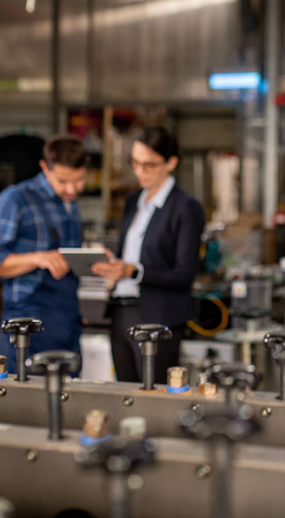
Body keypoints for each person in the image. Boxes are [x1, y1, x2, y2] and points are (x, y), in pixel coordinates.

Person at [91, 127, 204, 384]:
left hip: (158, 317)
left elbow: (184, 274)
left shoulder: (185, 208)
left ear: (171, 163)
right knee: (125, 392)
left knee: (154, 394)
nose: (140, 171)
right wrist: (112, 264)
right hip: (121, 310)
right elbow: (128, 256)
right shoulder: (134, 202)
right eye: (135, 163)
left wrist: (133, 271)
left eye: (149, 165)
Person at [0, 135, 89, 373]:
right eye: (62, 181)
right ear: (44, 168)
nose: (71, 189)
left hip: (66, 316)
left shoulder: (71, 203)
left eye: (78, 181)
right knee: (28, 400)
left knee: (68, 396)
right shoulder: (16, 199)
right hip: (28, 317)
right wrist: (38, 258)